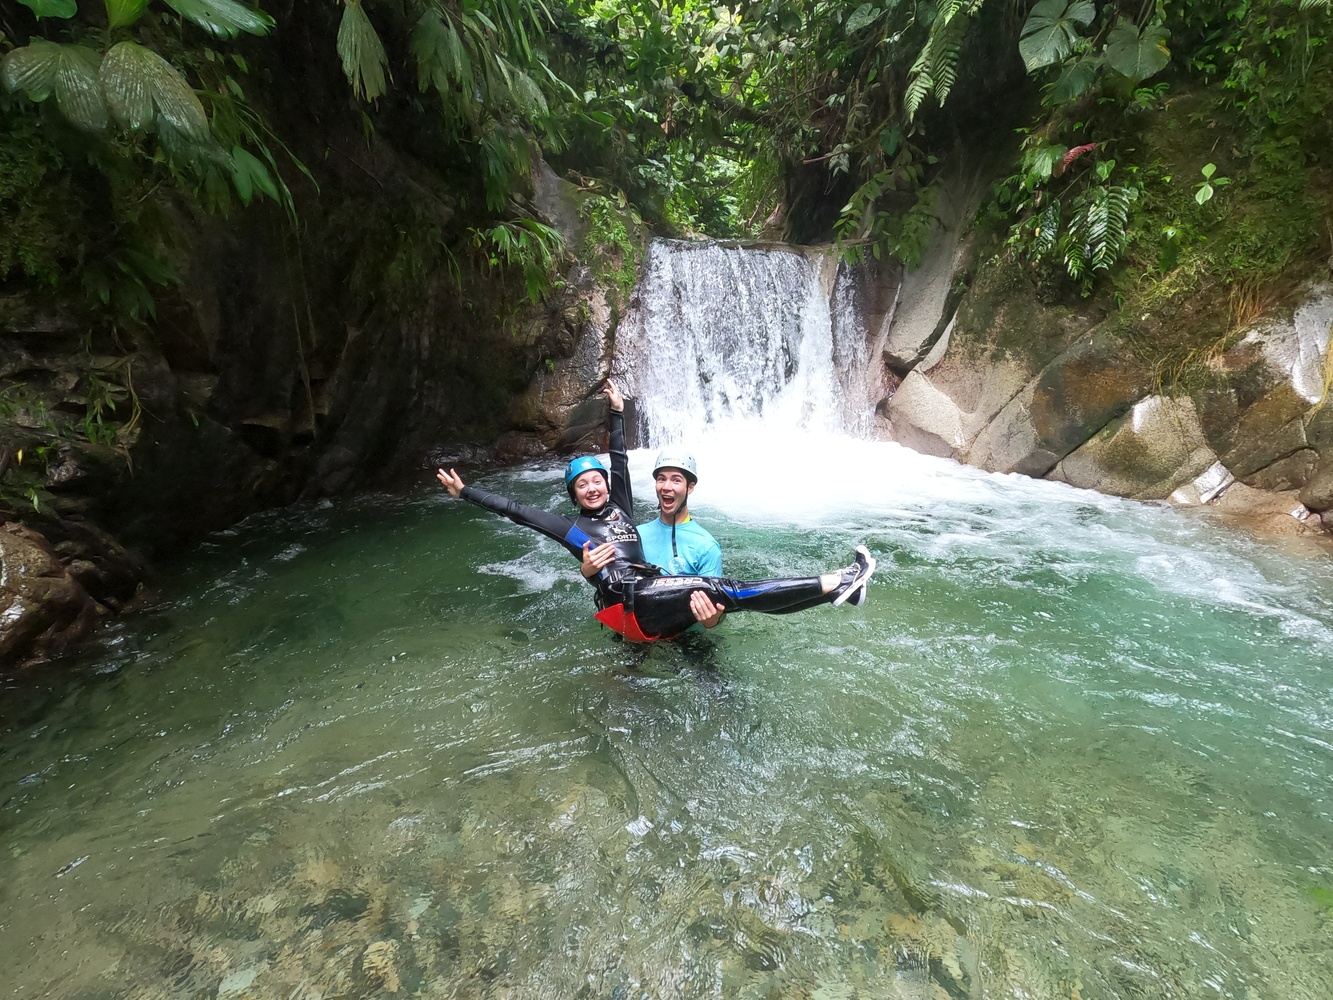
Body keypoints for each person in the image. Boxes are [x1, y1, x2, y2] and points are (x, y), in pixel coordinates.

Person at [435, 382, 875, 643]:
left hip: (654, 596)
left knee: (731, 597)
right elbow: (521, 511)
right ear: (574, 496)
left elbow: (620, 457)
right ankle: (836, 582)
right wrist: (466, 492)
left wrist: (617, 413)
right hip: (632, 604)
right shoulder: (575, 531)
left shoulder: (625, 512)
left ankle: (838, 590)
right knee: (728, 589)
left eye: (596, 480)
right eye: (581, 485)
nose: (591, 487)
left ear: (607, 486)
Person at [582, 446, 726, 629]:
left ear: (690, 487)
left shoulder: (706, 546)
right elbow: (610, 583)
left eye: (676, 480)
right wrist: (587, 572)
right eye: (661, 479)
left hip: (684, 637)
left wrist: (712, 620)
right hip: (636, 631)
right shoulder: (634, 534)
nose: (666, 487)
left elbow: (716, 612)